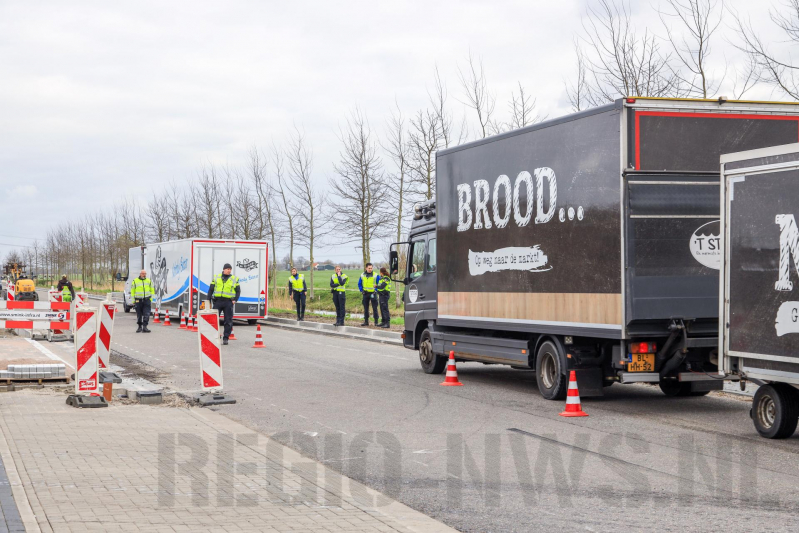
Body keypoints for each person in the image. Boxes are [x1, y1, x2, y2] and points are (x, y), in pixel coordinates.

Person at [208, 263, 240, 345]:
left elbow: (238, 291)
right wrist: (208, 299)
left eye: (230, 269)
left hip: (228, 302)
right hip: (217, 301)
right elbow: (211, 289)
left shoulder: (234, 279)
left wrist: (235, 300)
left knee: (228, 321)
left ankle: (226, 338)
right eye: (228, 269)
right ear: (224, 269)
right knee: (214, 319)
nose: (229, 270)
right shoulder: (216, 277)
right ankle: (215, 336)